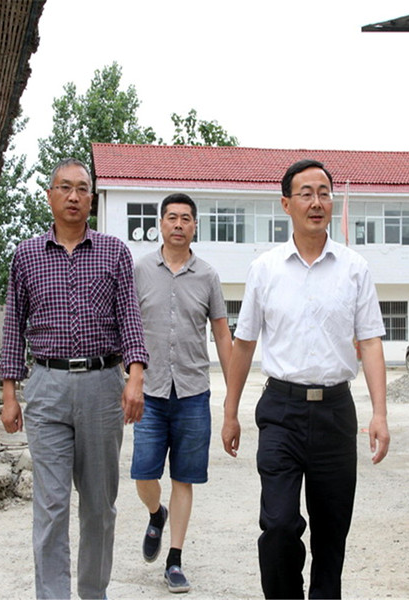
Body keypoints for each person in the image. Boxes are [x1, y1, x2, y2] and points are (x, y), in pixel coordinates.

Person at [221, 159, 391, 599]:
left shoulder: (354, 268)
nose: (317, 202)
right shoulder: (266, 269)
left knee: (331, 535)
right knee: (278, 525)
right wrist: (230, 411)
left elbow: (371, 342)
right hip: (281, 411)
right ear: (286, 204)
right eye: (306, 194)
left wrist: (380, 414)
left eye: (324, 193)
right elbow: (244, 343)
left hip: (336, 412)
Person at [0, 157, 149, 599]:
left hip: (103, 386)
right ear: (50, 196)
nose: (73, 196)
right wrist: (10, 393)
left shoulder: (114, 252)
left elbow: (130, 319)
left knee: (99, 506)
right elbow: (13, 327)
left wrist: (135, 377)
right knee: (51, 506)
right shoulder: (26, 255)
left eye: (82, 188)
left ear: (92, 199)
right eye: (64, 187)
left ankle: (93, 593)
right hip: (47, 386)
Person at [131, 192, 233, 594]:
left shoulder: (208, 276)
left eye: (185, 218)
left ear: (194, 226)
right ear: (160, 224)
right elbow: (127, 327)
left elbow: (222, 334)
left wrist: (232, 393)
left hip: (192, 392)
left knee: (184, 478)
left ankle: (174, 560)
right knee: (143, 473)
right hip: (150, 392)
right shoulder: (140, 270)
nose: (178, 224)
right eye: (171, 217)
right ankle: (155, 513)